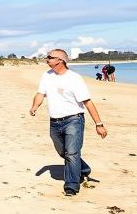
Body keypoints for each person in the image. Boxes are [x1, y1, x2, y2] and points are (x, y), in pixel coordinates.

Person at [29, 49, 107, 196]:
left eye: (50, 57)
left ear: (60, 60)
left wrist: (99, 124)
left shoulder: (74, 78)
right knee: (63, 152)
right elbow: (40, 93)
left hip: (74, 120)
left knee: (71, 153)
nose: (47, 59)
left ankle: (71, 186)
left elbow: (87, 102)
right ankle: (83, 169)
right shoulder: (46, 76)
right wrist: (34, 107)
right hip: (54, 121)